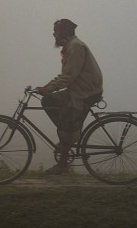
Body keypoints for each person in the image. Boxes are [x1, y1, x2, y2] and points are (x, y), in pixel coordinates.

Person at [36, 19, 103, 175]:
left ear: (65, 32)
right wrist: (47, 89)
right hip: (79, 89)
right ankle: (69, 134)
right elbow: (66, 75)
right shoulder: (70, 47)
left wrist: (49, 88)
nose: (54, 34)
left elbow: (68, 76)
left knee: (66, 123)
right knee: (48, 100)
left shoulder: (76, 47)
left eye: (57, 31)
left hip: (85, 92)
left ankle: (63, 161)